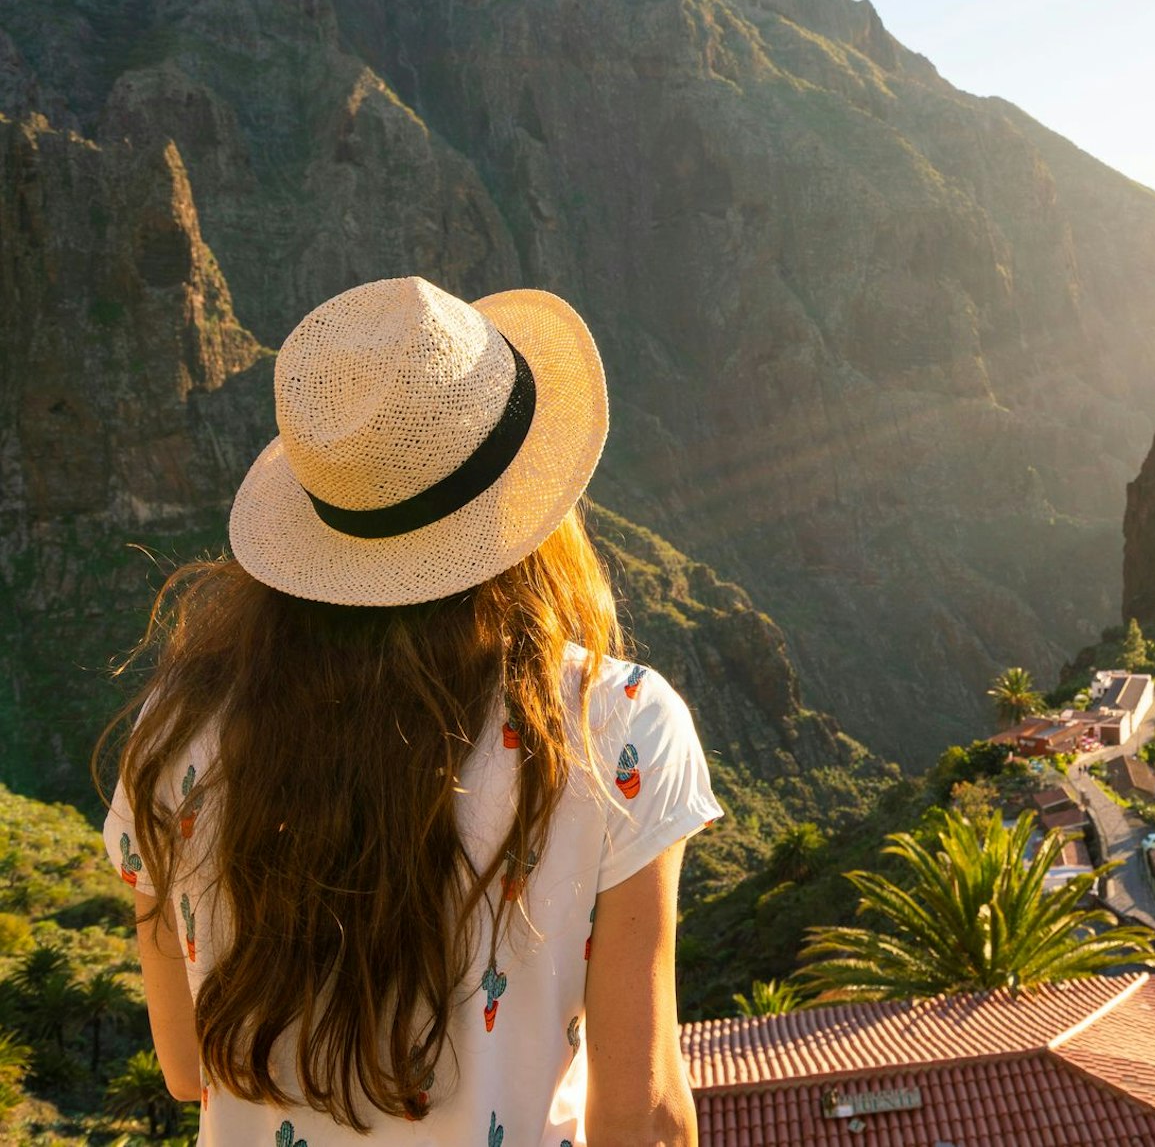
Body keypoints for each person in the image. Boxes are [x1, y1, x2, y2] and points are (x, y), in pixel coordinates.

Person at [100, 276, 721, 1146]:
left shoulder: (173, 735)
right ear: (523, 500)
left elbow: (182, 1063)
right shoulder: (612, 727)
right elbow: (643, 1113)